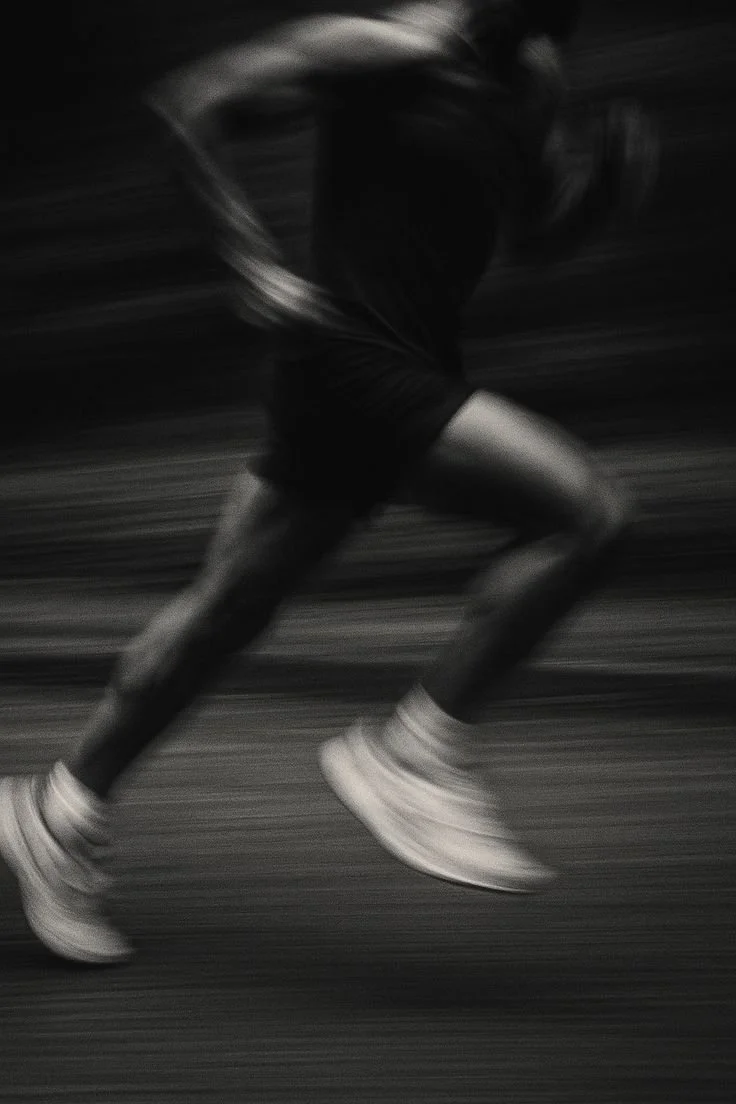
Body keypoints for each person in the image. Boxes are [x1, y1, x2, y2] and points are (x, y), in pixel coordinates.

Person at [0, 0, 658, 965]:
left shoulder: (531, 83)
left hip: (402, 362)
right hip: (348, 360)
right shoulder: (385, 50)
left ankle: (57, 813)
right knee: (590, 516)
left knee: (226, 611)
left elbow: (525, 229)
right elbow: (191, 103)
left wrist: (597, 196)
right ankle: (413, 752)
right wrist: (247, 260)